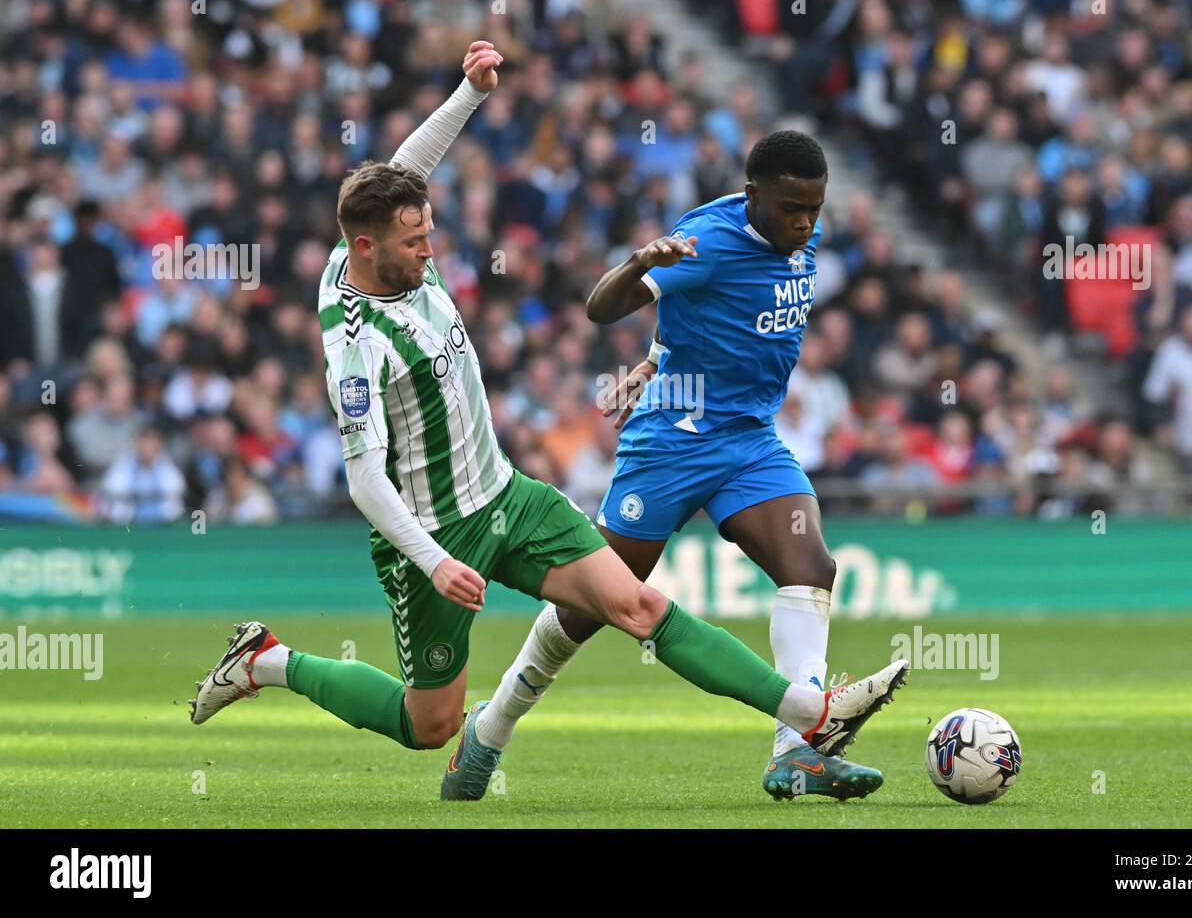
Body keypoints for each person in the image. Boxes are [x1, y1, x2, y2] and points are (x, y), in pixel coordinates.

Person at [189, 43, 907, 790]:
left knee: (634, 603)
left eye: (428, 230)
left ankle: (809, 723)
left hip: (508, 494)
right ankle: (269, 662)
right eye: (416, 241)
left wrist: (468, 94)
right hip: (436, 534)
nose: (431, 249)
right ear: (365, 250)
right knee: (427, 724)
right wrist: (435, 563)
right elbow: (365, 480)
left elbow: (401, 173)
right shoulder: (357, 350)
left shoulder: (378, 242)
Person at [453, 130, 906, 803]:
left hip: (750, 438)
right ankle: (489, 729)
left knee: (811, 567)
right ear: (754, 197)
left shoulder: (798, 231)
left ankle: (798, 751)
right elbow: (601, 308)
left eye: (814, 207)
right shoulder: (708, 240)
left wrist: (659, 354)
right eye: (791, 208)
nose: (805, 222)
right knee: (594, 604)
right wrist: (639, 263)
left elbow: (704, 317)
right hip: (672, 440)